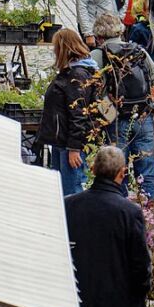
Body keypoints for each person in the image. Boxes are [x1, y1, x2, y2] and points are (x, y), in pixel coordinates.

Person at [64, 145, 151, 307]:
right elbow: (140, 264)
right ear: (122, 173)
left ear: (93, 169)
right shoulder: (129, 212)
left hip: (82, 303)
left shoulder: (69, 205)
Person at [89, 13, 154, 201]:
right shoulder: (138, 51)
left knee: (116, 175)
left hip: (116, 121)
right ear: (120, 31)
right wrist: (149, 105)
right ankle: (148, 219)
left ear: (98, 36)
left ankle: (120, 212)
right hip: (142, 118)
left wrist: (109, 114)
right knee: (146, 174)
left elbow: (93, 90)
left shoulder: (97, 55)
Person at [36, 28, 103, 196]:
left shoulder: (77, 75)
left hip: (69, 144)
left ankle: (72, 222)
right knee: (61, 190)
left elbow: (79, 113)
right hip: (62, 141)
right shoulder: (71, 71)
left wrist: (74, 148)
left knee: (71, 192)